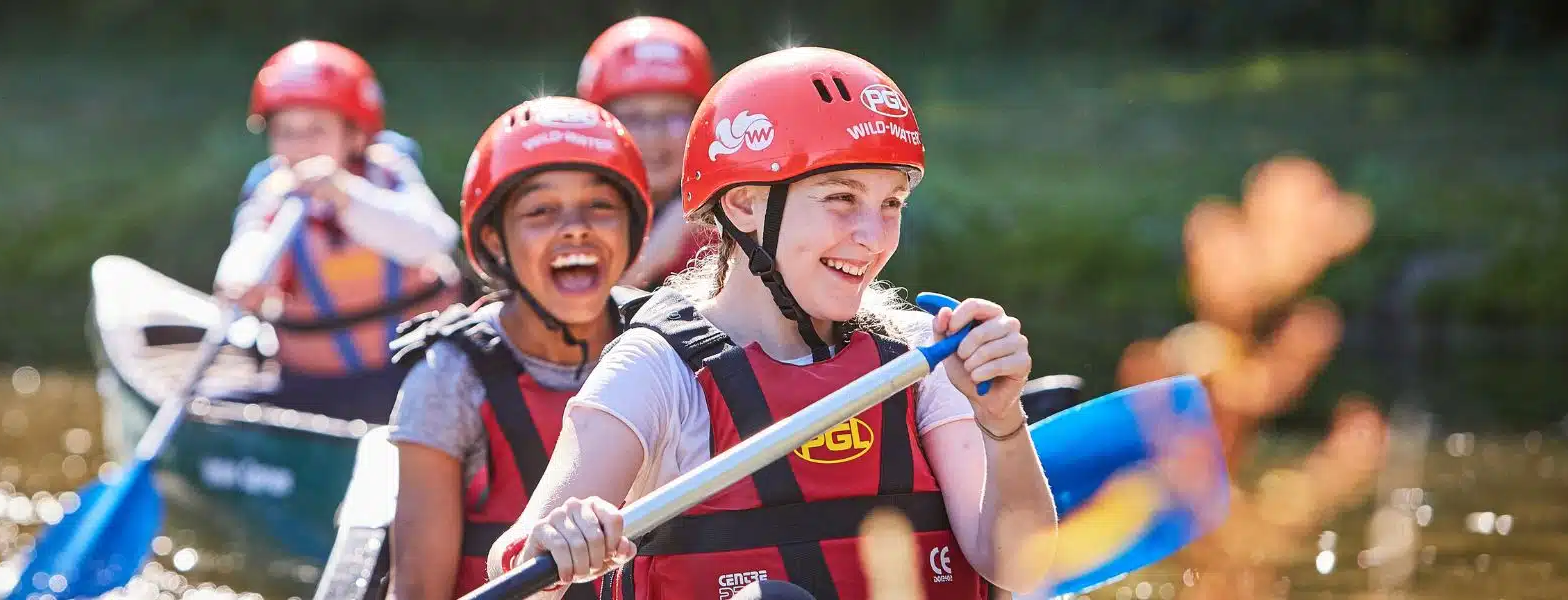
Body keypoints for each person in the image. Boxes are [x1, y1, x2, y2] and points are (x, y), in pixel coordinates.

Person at [485, 48, 1061, 599]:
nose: (874, 235)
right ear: (743, 206)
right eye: (841, 197)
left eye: (893, 203)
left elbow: (1020, 566)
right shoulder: (655, 371)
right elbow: (517, 568)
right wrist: (556, 543)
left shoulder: (920, 357)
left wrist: (1002, 421)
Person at [384, 96, 654, 600]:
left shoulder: (670, 343)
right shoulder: (448, 377)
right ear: (494, 239)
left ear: (632, 228)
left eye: (601, 206)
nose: (575, 227)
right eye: (541, 210)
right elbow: (417, 592)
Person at [214, 40, 463, 424]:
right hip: (311, 388)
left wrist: (346, 195)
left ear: (355, 135)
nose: (299, 147)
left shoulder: (389, 174)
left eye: (315, 130)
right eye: (285, 132)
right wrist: (239, 281)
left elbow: (435, 239)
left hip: (415, 374)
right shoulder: (272, 191)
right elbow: (246, 253)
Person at [576, 16, 719, 290]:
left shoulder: (731, 222)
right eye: (634, 118)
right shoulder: (568, 214)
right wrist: (657, 251)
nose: (654, 137)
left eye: (674, 116)